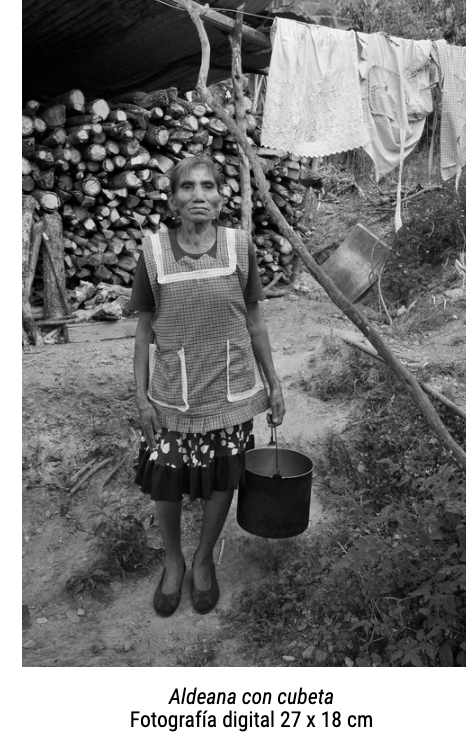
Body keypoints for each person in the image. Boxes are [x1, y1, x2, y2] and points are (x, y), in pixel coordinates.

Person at [128, 155, 286, 617]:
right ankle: (173, 560)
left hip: (229, 389)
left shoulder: (239, 247)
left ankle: (202, 559)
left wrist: (274, 383)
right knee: (166, 479)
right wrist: (141, 398)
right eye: (187, 187)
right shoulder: (153, 253)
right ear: (173, 200)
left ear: (220, 198)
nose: (198, 195)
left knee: (223, 478)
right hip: (173, 393)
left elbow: (255, 322)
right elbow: (143, 332)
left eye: (208, 186)